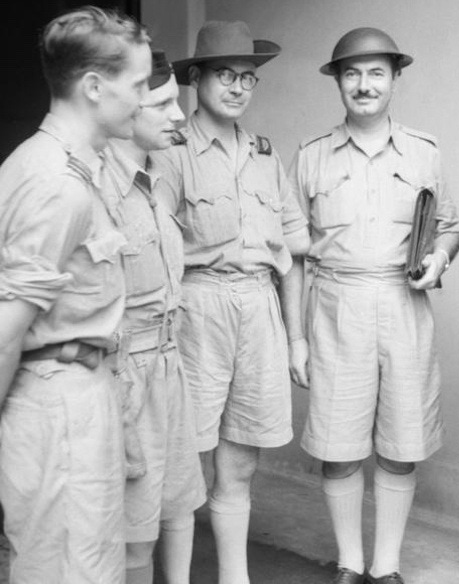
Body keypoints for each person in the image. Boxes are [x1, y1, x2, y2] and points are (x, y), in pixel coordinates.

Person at [286, 27, 459, 584]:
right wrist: (295, 337)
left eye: (376, 73)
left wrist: (440, 259)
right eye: (353, 74)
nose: (365, 85)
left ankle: (385, 568)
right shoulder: (311, 156)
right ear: (338, 82)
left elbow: (449, 229)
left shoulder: (424, 151)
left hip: (404, 306)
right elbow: (292, 254)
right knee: (339, 447)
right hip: (336, 305)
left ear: (394, 80)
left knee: (400, 444)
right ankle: (349, 563)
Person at [154, 21, 310, 584]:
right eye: (225, 74)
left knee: (241, 459)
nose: (239, 87)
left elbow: (292, 256)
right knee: (183, 464)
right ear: (196, 79)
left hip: (259, 310)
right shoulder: (171, 153)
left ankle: (233, 577)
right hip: (196, 310)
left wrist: (296, 337)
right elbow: (158, 253)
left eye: (248, 77)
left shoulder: (268, 156)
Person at [0, 7, 151, 583]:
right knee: (68, 569)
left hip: (79, 396)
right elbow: (6, 332)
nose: (142, 99)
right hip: (55, 406)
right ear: (94, 86)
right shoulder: (54, 184)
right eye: (137, 85)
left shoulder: (76, 168)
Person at [102, 49, 206, 584]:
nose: (179, 115)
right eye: (164, 103)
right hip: (125, 380)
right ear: (126, 108)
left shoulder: (150, 181)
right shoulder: (96, 190)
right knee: (132, 544)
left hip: (167, 369)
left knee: (171, 513)